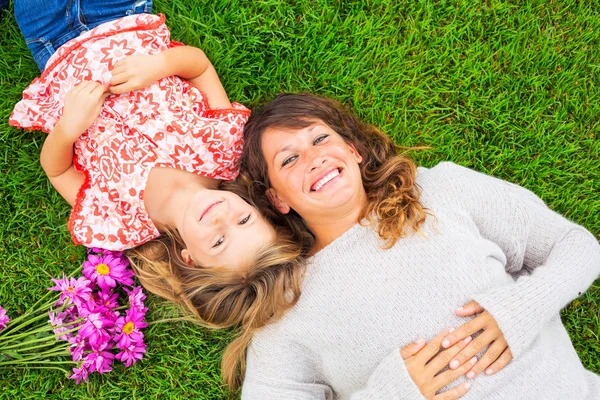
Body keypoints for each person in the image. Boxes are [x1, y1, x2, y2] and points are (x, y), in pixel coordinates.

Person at [235, 93, 600, 399]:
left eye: (320, 139)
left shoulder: (440, 190)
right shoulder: (285, 308)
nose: (314, 159)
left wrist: (521, 310)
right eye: (289, 159)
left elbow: (577, 245)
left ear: (353, 151)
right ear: (277, 199)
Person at [8, 0, 301, 343]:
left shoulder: (120, 223)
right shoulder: (224, 145)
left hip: (52, 44)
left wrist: (68, 128)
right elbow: (199, 68)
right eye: (245, 221)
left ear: (190, 260)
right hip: (120, 12)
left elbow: (57, 172)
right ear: (258, 210)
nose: (223, 218)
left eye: (219, 241)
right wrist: (159, 65)